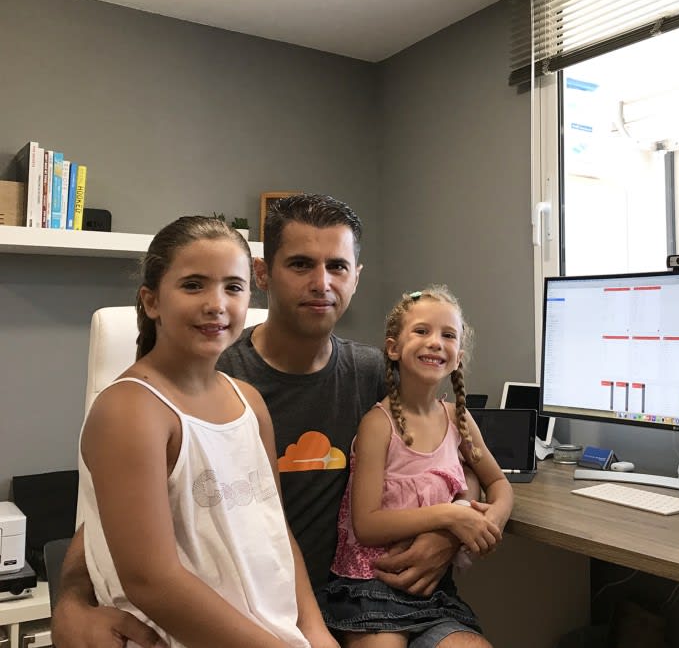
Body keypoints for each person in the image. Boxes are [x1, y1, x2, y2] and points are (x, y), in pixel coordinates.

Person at [53, 195, 472, 648]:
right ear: (263, 273)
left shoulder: (378, 377)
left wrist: (450, 531)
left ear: (356, 277)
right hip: (236, 621)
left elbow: (456, 452)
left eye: (337, 266)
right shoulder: (204, 375)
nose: (321, 283)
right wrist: (71, 603)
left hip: (357, 601)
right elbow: (116, 517)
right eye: (299, 264)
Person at [76, 215, 336, 648]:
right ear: (152, 301)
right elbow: (151, 581)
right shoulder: (131, 409)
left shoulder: (249, 401)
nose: (216, 303)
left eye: (232, 287)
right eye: (193, 285)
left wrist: (314, 629)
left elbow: (277, 530)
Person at [318, 286, 513, 647]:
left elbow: (498, 482)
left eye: (448, 335)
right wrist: (451, 516)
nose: (435, 342)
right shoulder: (379, 425)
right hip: (370, 587)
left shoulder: (460, 420)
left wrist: (489, 521)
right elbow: (368, 525)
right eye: (422, 331)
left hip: (433, 591)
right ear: (393, 348)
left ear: (458, 357)